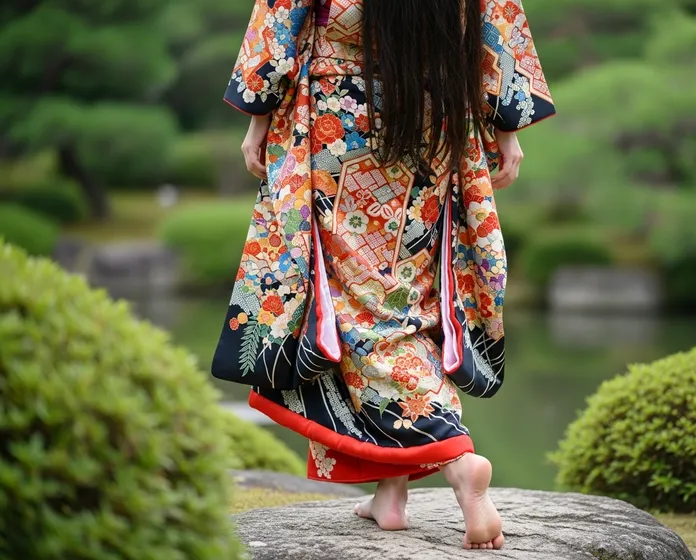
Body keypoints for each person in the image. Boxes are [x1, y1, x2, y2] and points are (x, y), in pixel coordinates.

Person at [213, 0, 554, 550]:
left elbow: (280, 18)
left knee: (355, 302)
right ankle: (389, 495)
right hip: (432, 113)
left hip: (339, 115)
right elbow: (496, 17)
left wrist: (258, 120)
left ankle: (456, 457)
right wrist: (507, 129)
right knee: (406, 294)